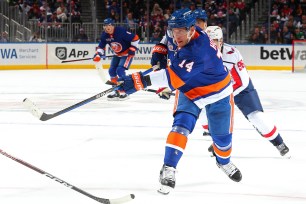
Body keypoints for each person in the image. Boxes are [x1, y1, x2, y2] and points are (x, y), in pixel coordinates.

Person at [117, 8, 242, 195]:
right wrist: (159, 51)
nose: (176, 36)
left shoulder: (201, 50)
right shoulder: (180, 32)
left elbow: (171, 78)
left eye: (180, 31)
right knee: (181, 126)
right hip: (190, 89)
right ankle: (169, 168)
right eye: (174, 31)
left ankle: (223, 161)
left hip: (218, 92)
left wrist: (138, 81)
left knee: (222, 141)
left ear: (192, 30)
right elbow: (166, 40)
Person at [200, 26, 290, 157]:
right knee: (206, 113)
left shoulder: (232, 54)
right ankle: (218, 143)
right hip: (218, 89)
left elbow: (243, 81)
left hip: (240, 88)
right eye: (207, 42)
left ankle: (279, 143)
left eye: (214, 41)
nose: (211, 45)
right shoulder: (199, 54)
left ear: (221, 40)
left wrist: (224, 95)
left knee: (256, 116)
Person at [93, 18, 140, 101]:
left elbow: (135, 38)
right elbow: (101, 47)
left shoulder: (120, 31)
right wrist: (98, 54)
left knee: (120, 70)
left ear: (113, 26)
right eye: (106, 26)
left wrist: (133, 49)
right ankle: (116, 90)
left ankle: (125, 91)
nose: (107, 27)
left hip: (126, 54)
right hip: (117, 54)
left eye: (109, 25)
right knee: (111, 71)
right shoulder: (104, 35)